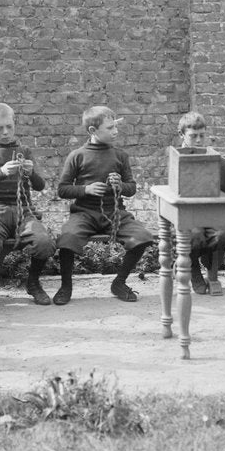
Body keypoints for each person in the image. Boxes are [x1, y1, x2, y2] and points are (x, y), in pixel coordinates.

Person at [55, 106, 153, 304]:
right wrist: (86, 190)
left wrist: (120, 186)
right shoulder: (77, 155)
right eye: (109, 128)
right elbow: (63, 189)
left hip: (114, 213)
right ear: (93, 131)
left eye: (115, 126)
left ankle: (119, 282)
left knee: (143, 237)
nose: (115, 131)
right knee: (67, 239)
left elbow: (132, 188)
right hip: (84, 214)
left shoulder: (120, 155)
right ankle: (66, 287)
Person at [0, 103, 57, 307]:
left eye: (9, 127)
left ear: (14, 124)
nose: (5, 132)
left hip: (24, 212)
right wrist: (2, 172)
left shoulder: (24, 150)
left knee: (44, 242)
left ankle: (33, 283)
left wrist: (31, 173)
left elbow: (40, 186)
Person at [176, 111, 225, 295]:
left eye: (202, 135)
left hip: (210, 210)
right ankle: (193, 270)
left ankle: (211, 269)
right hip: (186, 212)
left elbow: (223, 185)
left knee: (224, 233)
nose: (199, 140)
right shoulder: (175, 156)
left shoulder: (212, 155)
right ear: (182, 135)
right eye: (193, 136)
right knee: (194, 235)